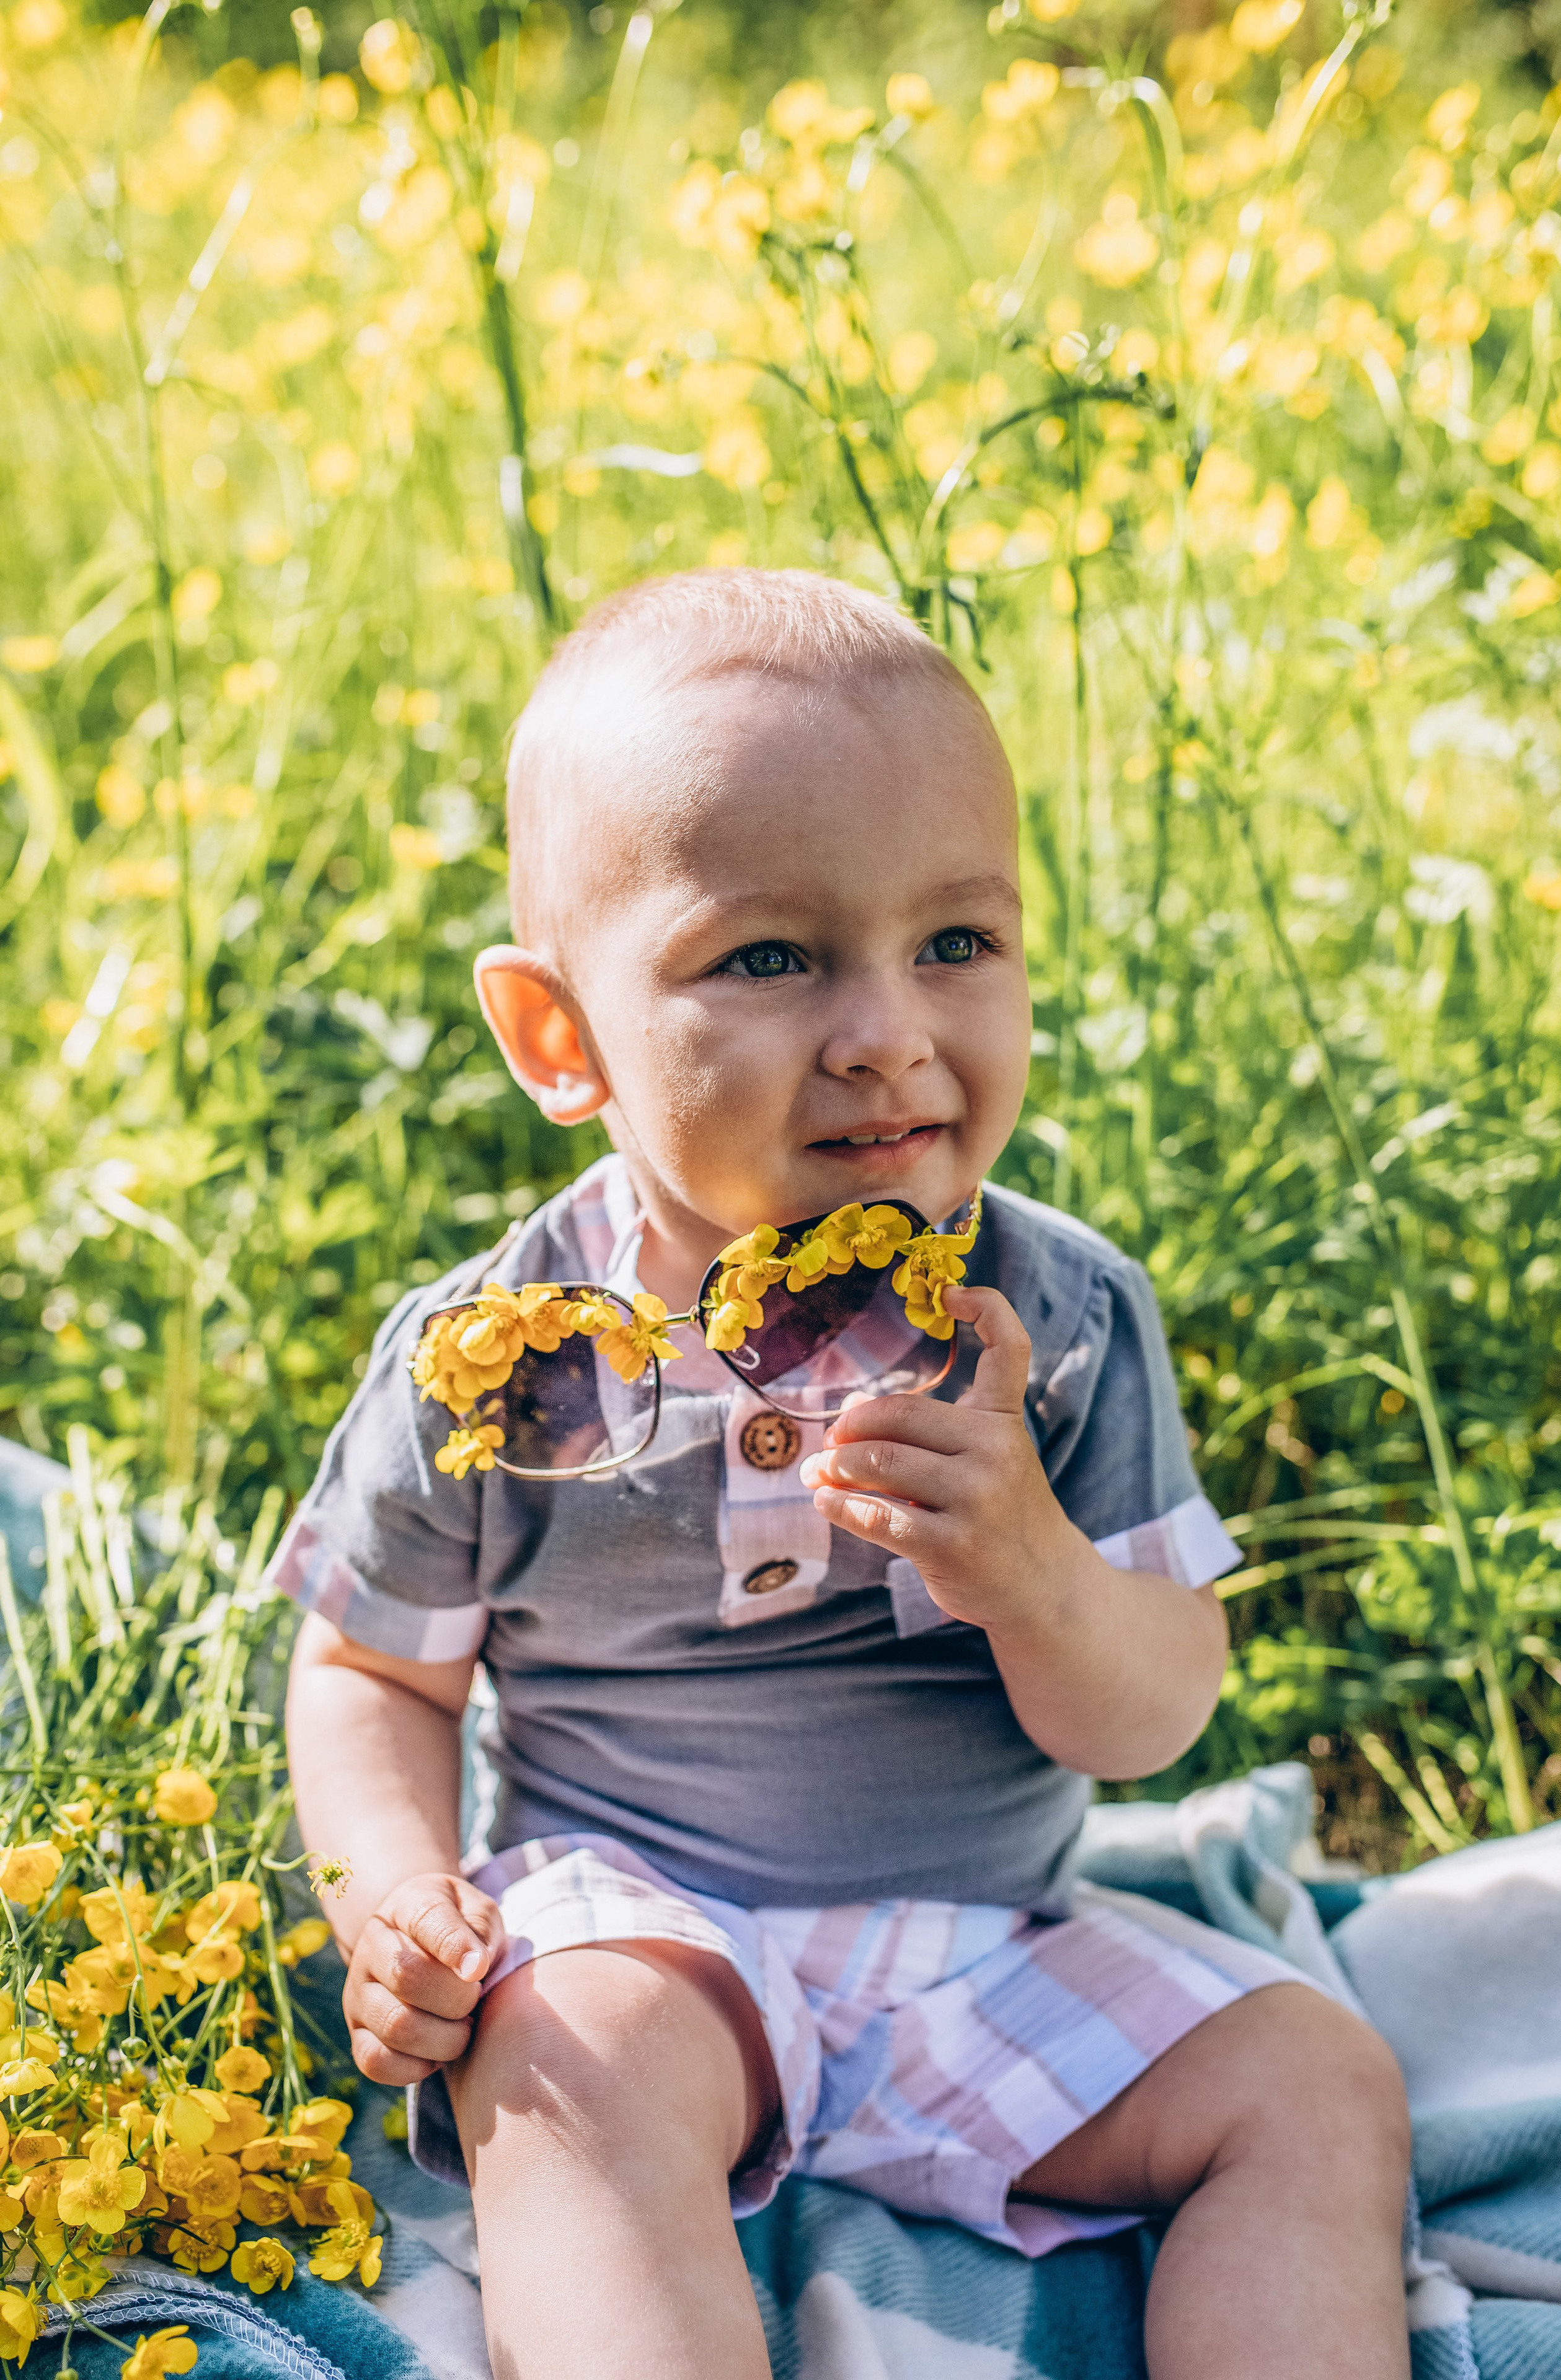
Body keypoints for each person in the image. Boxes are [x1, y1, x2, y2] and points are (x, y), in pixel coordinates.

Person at [278, 569, 1410, 2380]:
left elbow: (1154, 1719)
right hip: (646, 1927)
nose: (888, 1029)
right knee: (559, 2062)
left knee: (1316, 2082)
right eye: (773, 957)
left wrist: (1038, 1574)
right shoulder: (504, 1362)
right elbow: (368, 1668)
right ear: (560, 1038)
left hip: (987, 1939)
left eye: (957, 944)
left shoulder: (1061, 1319)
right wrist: (399, 1892)